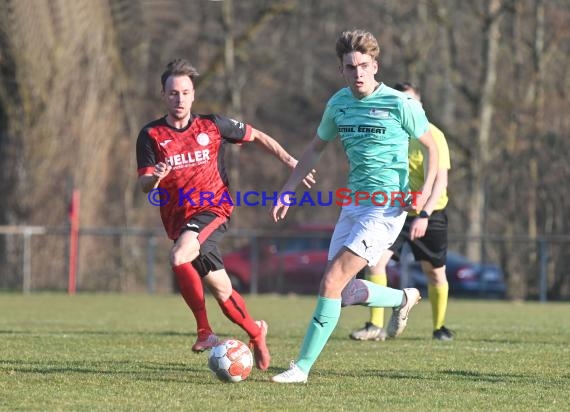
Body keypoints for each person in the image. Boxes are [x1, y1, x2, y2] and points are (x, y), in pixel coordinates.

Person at [269, 30, 439, 383]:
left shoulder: (400, 103)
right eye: (351, 66)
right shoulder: (338, 104)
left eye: (364, 65)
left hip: (386, 208)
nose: (358, 72)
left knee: (331, 280)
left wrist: (423, 195)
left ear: (375, 66)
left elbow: (431, 147)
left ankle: (301, 368)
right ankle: (402, 297)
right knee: (343, 291)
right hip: (353, 206)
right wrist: (288, 188)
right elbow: (316, 147)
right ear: (341, 71)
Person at [136, 58, 314, 371]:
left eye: (185, 92)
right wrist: (157, 177)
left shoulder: (213, 125)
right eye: (173, 93)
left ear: (193, 95)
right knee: (223, 291)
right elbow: (143, 185)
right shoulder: (150, 135)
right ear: (163, 95)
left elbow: (256, 135)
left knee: (179, 257)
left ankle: (204, 332)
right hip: (181, 222)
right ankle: (257, 332)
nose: (180, 98)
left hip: (213, 209)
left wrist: (290, 161)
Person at [349, 81, 454, 342]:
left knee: (435, 272)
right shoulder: (393, 134)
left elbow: (440, 181)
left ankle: (439, 327)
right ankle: (375, 325)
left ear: (420, 105)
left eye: (411, 101)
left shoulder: (434, 136)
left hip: (431, 212)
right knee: (375, 262)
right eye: (402, 101)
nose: (407, 106)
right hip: (396, 210)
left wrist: (425, 215)